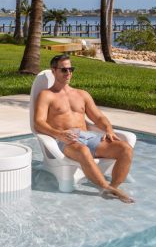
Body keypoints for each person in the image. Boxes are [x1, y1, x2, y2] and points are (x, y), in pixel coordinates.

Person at [34, 54, 134, 203]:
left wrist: (108, 129)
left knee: (125, 149)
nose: (68, 73)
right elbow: (38, 122)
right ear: (53, 71)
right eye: (64, 70)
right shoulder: (46, 95)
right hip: (66, 140)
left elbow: (98, 117)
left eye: (71, 69)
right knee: (83, 150)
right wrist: (58, 134)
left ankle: (114, 188)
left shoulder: (82, 94)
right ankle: (105, 187)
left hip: (89, 137)